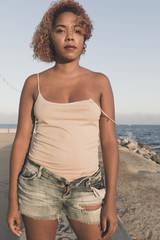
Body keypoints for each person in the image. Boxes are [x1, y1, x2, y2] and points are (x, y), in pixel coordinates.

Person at [7, 0, 119, 239]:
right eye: (61, 30)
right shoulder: (33, 83)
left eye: (77, 31)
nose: (70, 37)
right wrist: (12, 201)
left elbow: (109, 143)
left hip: (87, 185)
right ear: (50, 36)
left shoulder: (101, 82)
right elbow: (21, 141)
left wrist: (111, 200)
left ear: (85, 38)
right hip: (38, 182)